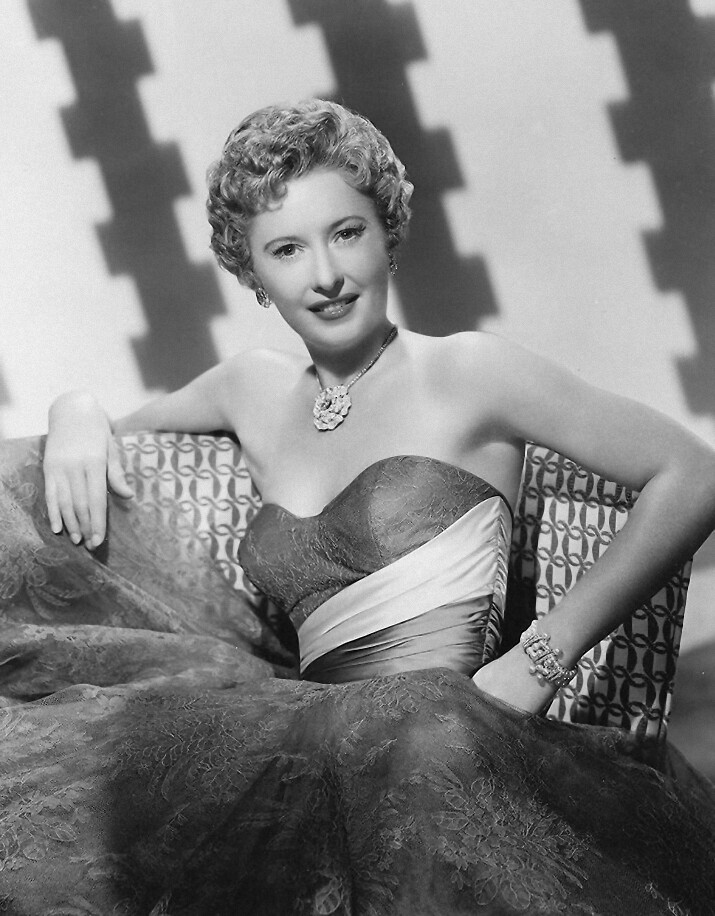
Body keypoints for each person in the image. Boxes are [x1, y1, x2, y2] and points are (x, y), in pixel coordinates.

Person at [2, 99, 714, 914]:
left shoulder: (468, 373)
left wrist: (539, 660)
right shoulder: (251, 389)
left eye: (346, 233)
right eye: (286, 250)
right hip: (304, 747)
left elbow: (692, 473)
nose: (325, 276)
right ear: (252, 275)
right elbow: (120, 433)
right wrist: (75, 411)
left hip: (444, 744)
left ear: (387, 233)